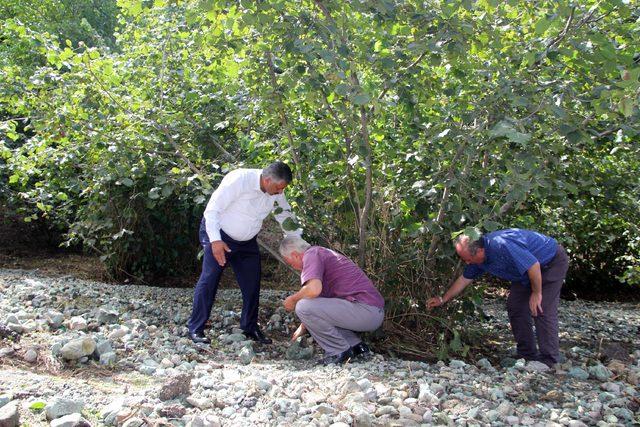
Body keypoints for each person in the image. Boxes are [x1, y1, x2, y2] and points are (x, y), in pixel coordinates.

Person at [187, 162, 302, 345]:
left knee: (252, 283)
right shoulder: (238, 179)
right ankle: (195, 328)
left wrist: (297, 242)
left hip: (247, 242)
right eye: (279, 188)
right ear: (267, 180)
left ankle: (249, 327)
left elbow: (285, 215)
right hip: (219, 235)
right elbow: (212, 210)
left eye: (283, 189)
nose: (281, 193)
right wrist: (215, 241)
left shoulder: (276, 191)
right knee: (210, 278)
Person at [427, 229, 569, 367]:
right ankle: (527, 354)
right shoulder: (478, 259)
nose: (467, 263)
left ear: (480, 251)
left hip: (550, 263)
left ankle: (549, 359)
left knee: (541, 307)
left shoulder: (502, 245)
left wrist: (537, 293)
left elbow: (533, 265)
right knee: (516, 306)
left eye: (468, 259)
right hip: (525, 272)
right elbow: (464, 279)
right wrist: (443, 299)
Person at [279, 236, 385, 365]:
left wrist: (293, 299)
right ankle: (357, 347)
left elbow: (313, 290)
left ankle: (338, 351)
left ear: (295, 255)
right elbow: (319, 307)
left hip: (364, 310)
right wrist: (304, 325)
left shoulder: (312, 254)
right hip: (372, 312)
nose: (294, 267)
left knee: (302, 306)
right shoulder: (321, 254)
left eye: (290, 263)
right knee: (308, 307)